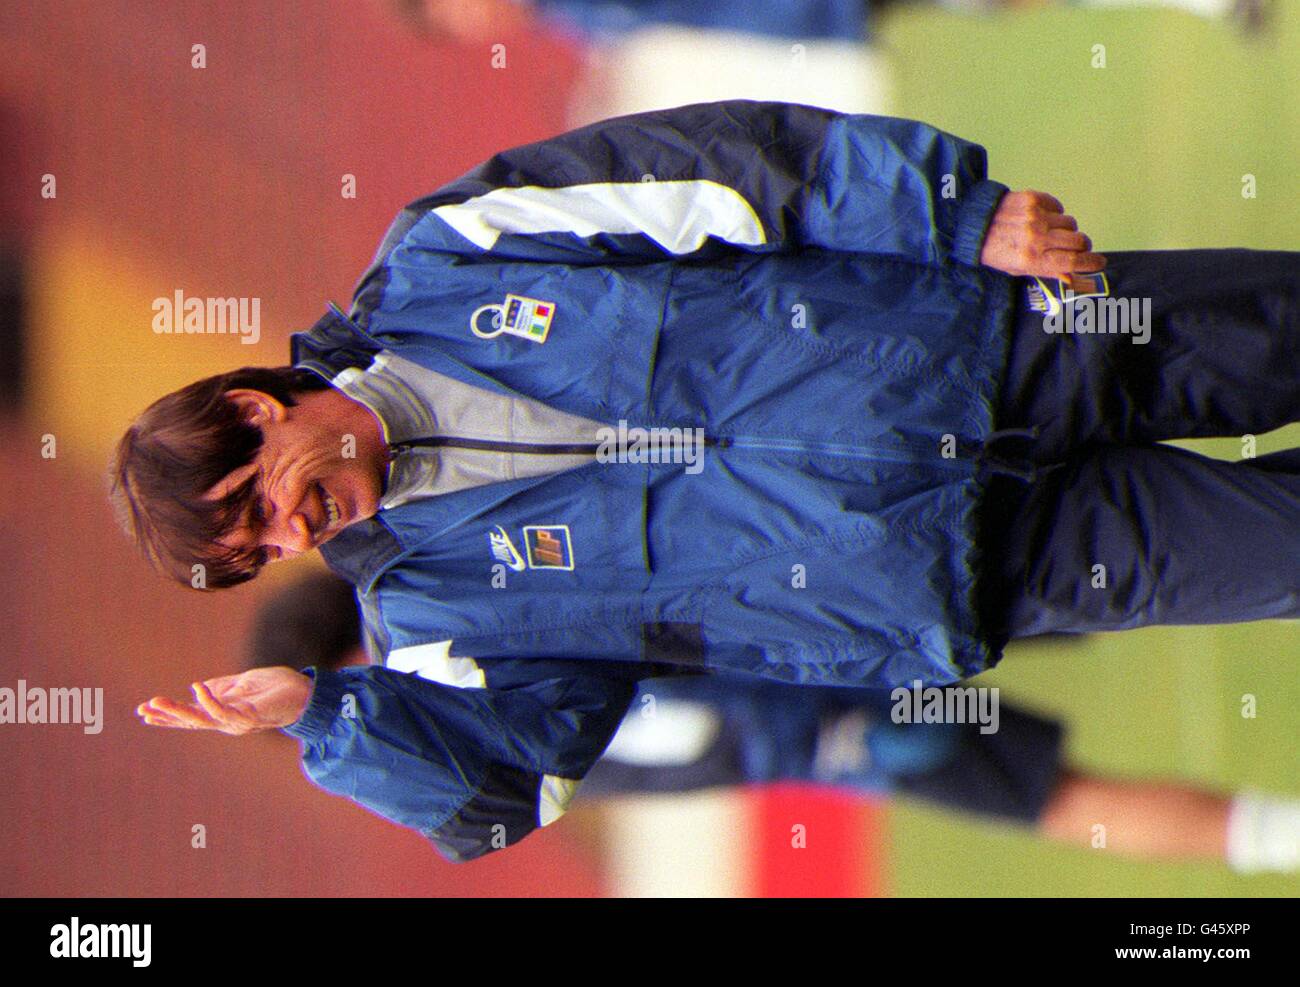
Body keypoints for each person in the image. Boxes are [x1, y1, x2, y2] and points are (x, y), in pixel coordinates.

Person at [122, 99, 1298, 859]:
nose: (292, 539)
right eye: (261, 560)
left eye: (260, 509)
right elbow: (506, 798)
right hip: (984, 569)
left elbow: (729, 169)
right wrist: (327, 719)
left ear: (251, 411)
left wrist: (955, 210)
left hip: (1001, 337)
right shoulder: (430, 615)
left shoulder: (447, 253)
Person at [246, 572, 1300, 874]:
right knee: (1107, 592)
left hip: (833, 693)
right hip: (839, 645)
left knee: (1099, 612)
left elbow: (664, 727)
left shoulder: (469, 715)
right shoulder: (470, 624)